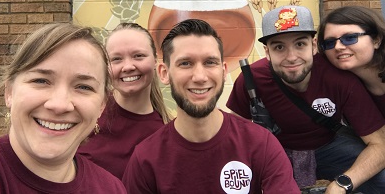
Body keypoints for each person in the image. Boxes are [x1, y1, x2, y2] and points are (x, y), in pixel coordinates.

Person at [123, 19, 299, 193]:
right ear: (164, 73)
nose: (200, 77)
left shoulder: (261, 144)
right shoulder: (146, 159)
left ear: (223, 71)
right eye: (185, 63)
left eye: (210, 62)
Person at [228, 5, 385, 193]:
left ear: (313, 46)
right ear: (267, 52)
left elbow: (379, 144)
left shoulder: (340, 77)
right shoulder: (251, 78)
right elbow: (234, 136)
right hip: (275, 151)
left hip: (330, 146)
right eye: (279, 47)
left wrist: (342, 184)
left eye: (300, 44)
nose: (292, 57)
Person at [0, 22, 127, 193]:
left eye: (83, 87)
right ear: (9, 92)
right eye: (41, 81)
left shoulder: (111, 189)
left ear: (101, 106)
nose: (60, 105)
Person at [77, 23, 170, 179]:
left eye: (138, 56)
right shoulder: (87, 112)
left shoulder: (164, 135)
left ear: (155, 61)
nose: (127, 66)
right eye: (117, 59)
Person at [318, 5, 385, 114]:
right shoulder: (342, 86)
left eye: (349, 38)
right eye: (329, 42)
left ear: (376, 40)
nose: (338, 47)